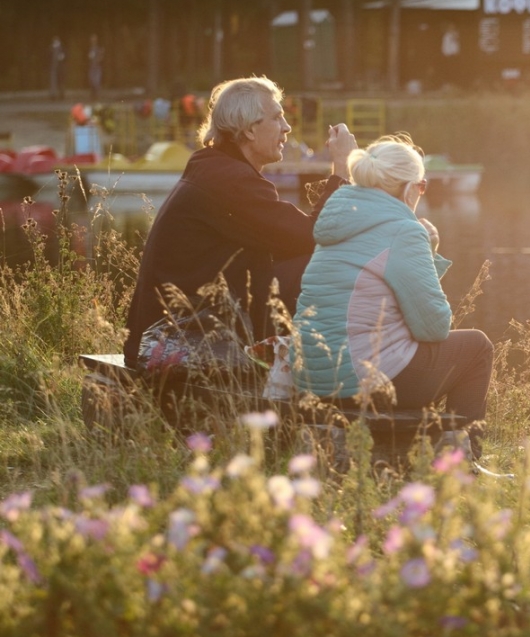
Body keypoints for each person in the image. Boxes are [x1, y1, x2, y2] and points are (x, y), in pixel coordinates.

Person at [122, 75, 358, 368]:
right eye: (277, 117)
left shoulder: (216, 167)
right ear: (248, 129)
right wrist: (341, 167)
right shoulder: (230, 181)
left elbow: (295, 238)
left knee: (307, 264)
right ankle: (335, 370)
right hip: (174, 341)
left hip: (162, 334)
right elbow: (314, 234)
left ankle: (315, 367)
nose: (287, 127)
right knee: (326, 265)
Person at [293, 133, 493, 454]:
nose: (420, 194)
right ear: (408, 188)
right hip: (363, 383)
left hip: (313, 380)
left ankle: (403, 447)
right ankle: (461, 458)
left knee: (406, 348)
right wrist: (425, 250)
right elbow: (434, 326)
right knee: (476, 348)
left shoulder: (336, 223)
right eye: (422, 186)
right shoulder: (404, 229)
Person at [87, 34, 104, 101]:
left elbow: (101, 58)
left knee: (96, 82)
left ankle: (96, 96)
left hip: (97, 67)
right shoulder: (90, 49)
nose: (93, 40)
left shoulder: (98, 49)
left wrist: (98, 59)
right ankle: (92, 96)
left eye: (94, 39)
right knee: (91, 81)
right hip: (91, 67)